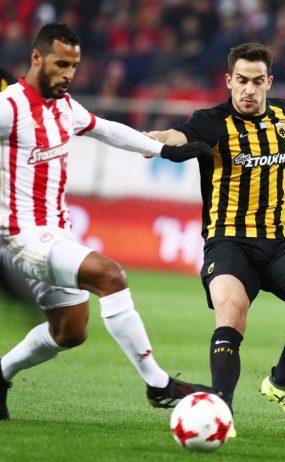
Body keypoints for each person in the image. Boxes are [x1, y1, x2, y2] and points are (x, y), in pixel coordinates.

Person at [0, 23, 214, 421]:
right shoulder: (8, 108)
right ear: (36, 58)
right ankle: (158, 384)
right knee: (110, 275)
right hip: (18, 236)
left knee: (69, 332)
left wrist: (164, 151)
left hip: (56, 233)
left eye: (74, 66)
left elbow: (106, 129)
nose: (68, 74)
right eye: (61, 64)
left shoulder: (64, 107)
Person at [147, 43, 285, 434]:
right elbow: (176, 134)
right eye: (241, 81)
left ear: (269, 82)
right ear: (228, 81)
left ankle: (281, 382)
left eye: (257, 81)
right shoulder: (212, 122)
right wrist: (153, 141)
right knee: (231, 311)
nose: (249, 89)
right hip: (228, 240)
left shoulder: (284, 113)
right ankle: (222, 411)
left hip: (281, 237)